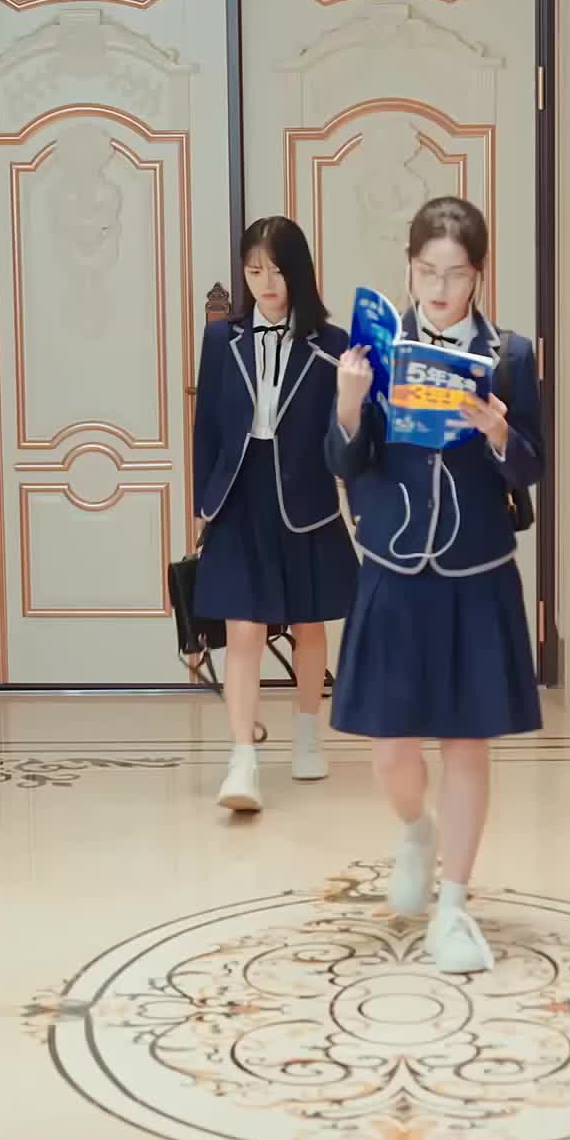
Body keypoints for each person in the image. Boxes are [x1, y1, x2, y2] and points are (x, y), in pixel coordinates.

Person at [328, 195, 543, 973]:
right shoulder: (373, 351)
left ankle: (454, 905)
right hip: (393, 567)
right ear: (410, 269)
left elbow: (532, 467)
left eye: (455, 274)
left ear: (478, 274)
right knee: (391, 749)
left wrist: (498, 431)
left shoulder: (509, 355)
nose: (440, 288)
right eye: (427, 272)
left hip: (475, 571)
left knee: (466, 742)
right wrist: (350, 404)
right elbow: (342, 462)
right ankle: (415, 830)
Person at [194, 216, 358, 814]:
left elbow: (344, 432)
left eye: (277, 270)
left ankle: (308, 734)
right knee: (244, 628)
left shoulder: (332, 343)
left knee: (310, 624)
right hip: (238, 494)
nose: (265, 282)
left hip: (304, 495)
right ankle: (242, 758)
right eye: (254, 270)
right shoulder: (222, 339)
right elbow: (207, 427)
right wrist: (202, 505)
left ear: (299, 273)